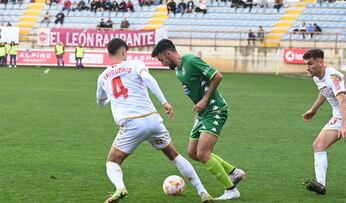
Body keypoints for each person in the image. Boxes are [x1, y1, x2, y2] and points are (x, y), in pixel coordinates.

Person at [97, 38, 214, 203]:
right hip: (152, 119)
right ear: (124, 52)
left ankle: (120, 188)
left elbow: (100, 101)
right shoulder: (135, 64)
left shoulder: (103, 76)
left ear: (109, 54)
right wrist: (164, 102)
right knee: (174, 155)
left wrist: (112, 98)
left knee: (112, 162)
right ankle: (203, 192)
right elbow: (148, 79)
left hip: (131, 123)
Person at [151, 39, 245, 201]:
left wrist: (205, 100)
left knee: (203, 154)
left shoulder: (190, 60)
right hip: (202, 114)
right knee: (193, 153)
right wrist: (199, 108)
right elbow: (196, 91)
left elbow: (217, 76)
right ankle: (234, 172)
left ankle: (231, 190)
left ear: (168, 53)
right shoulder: (178, 71)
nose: (162, 63)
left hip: (215, 110)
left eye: (161, 59)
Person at [302, 49, 346, 195]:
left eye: (310, 64)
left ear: (320, 62)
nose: (307, 67)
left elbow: (342, 100)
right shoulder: (317, 77)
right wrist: (313, 109)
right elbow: (324, 91)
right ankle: (320, 185)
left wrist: (345, 125)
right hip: (340, 117)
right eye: (306, 64)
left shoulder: (333, 76)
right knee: (319, 145)